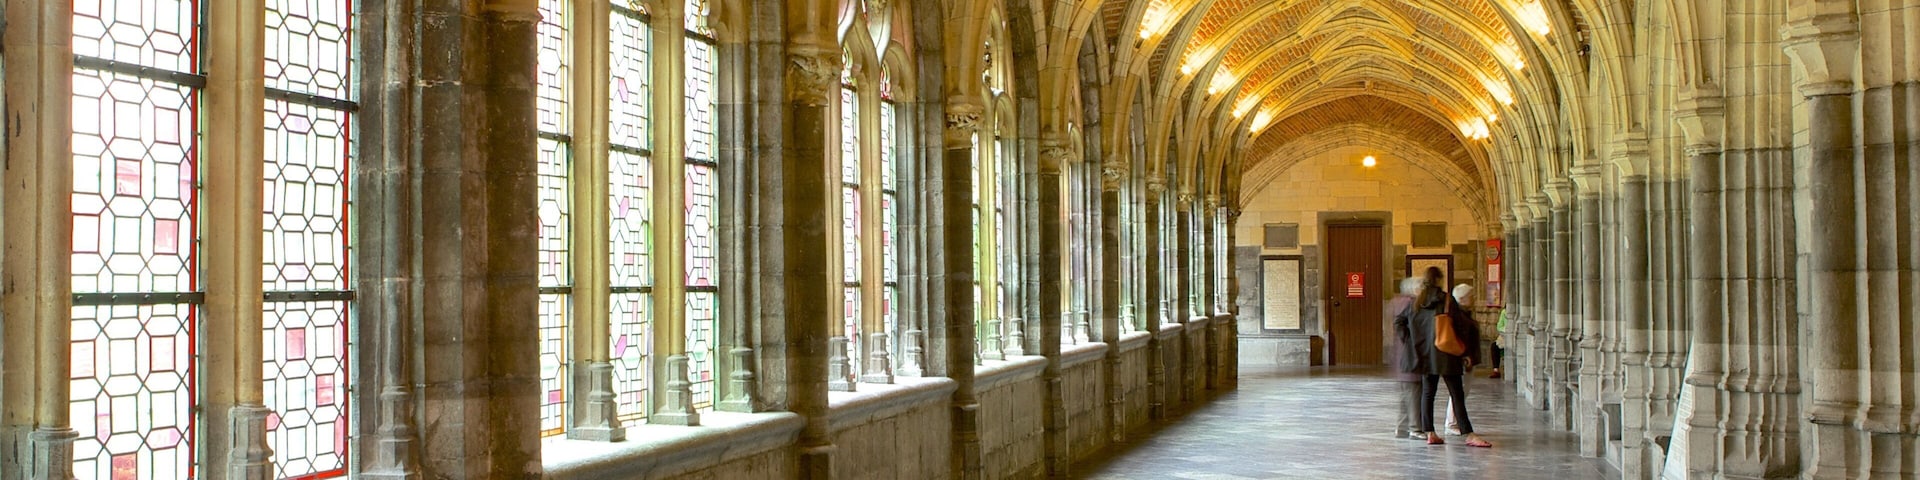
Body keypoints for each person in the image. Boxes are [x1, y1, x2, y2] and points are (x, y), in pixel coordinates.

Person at [1395, 267, 1492, 447]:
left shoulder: (1417, 302)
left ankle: (1430, 432)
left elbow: (1399, 321)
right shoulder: (1447, 300)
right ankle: (1468, 434)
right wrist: (1466, 352)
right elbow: (1460, 326)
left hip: (1424, 355)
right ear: (1439, 280)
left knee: (1427, 393)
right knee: (1456, 394)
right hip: (1446, 355)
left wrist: (1410, 340)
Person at [1386, 277, 1427, 440]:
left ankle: (1401, 427)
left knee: (1405, 395)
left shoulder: (1396, 302)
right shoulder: (1412, 304)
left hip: (1400, 357)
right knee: (1414, 393)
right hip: (1412, 356)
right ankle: (1415, 429)